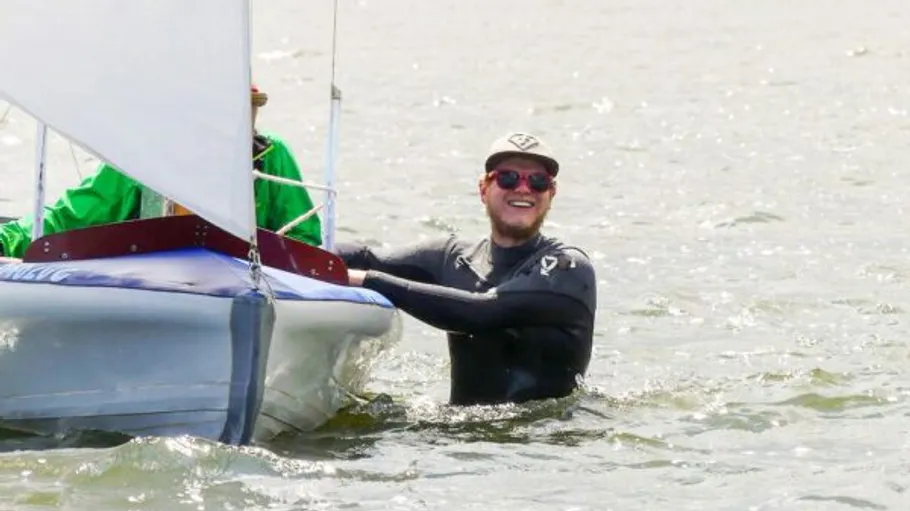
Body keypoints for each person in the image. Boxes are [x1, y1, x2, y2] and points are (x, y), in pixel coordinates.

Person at [334, 132, 597, 406]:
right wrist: (299, 253)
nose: (523, 189)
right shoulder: (454, 257)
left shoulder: (568, 268)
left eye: (538, 181)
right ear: (483, 189)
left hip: (540, 441)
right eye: (508, 177)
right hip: (460, 442)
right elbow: (366, 257)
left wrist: (364, 281)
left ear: (551, 194)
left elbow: (481, 312)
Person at [0, 84, 322, 260]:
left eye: (250, 108)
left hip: (249, 279)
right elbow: (68, 218)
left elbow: (305, 238)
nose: (243, 121)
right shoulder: (147, 159)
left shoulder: (270, 154)